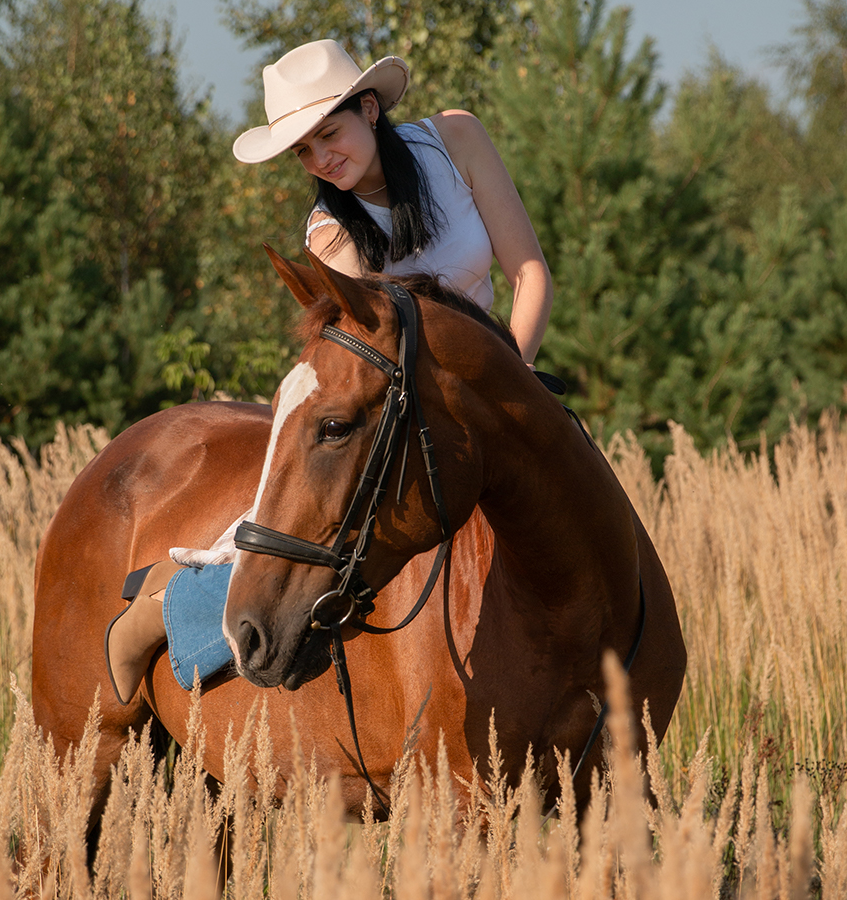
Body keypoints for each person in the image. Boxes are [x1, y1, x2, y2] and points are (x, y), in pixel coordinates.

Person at [105, 39, 553, 706]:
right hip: (406, 412)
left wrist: (514, 386)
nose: (321, 160)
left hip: (501, 376)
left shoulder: (457, 138)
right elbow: (361, 366)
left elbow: (530, 273)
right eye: (304, 151)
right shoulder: (330, 235)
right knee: (316, 527)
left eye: (329, 134)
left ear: (369, 109)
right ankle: (170, 608)